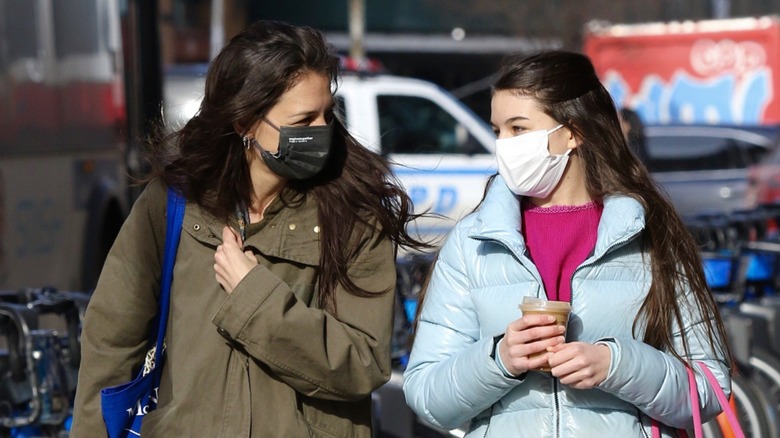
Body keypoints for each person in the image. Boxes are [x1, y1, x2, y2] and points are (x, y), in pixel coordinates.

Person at [71, 20, 426, 437]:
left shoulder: (355, 215)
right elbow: (111, 338)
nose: (322, 132)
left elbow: (363, 363)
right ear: (244, 123)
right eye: (303, 119)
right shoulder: (174, 202)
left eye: (327, 114)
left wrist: (255, 298)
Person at [403, 50, 732, 437]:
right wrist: (499, 359)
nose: (503, 145)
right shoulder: (472, 241)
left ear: (573, 132)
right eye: (497, 131)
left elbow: (711, 387)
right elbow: (426, 396)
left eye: (518, 129)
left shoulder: (649, 233)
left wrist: (618, 365)